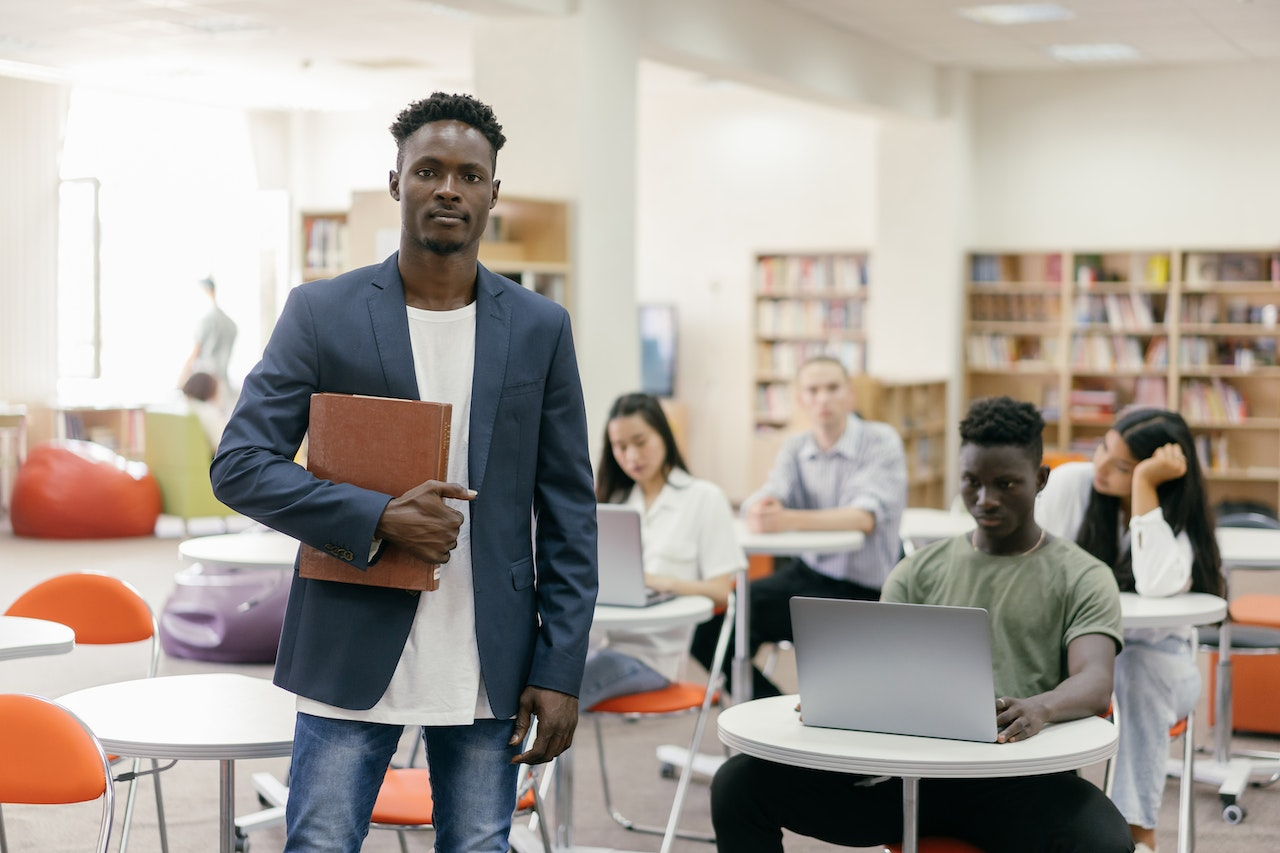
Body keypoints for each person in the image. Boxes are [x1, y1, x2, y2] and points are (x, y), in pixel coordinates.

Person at [210, 92, 598, 853]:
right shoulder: (322, 312)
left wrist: (562, 667)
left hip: (491, 652)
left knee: (480, 844)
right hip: (350, 635)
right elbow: (240, 464)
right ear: (396, 183)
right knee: (320, 842)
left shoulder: (540, 327)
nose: (447, 187)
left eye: (468, 174)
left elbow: (568, 510)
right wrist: (376, 515)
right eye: (427, 169)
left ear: (492, 192)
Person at [710, 395, 1134, 853]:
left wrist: (1040, 708)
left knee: (1107, 843)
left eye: (1006, 484)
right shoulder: (918, 570)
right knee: (739, 785)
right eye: (972, 482)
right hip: (909, 777)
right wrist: (844, 698)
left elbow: (1094, 680)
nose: (985, 499)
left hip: (1020, 782)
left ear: (1040, 479)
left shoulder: (1083, 575)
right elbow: (883, 673)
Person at [1036, 408, 1222, 853]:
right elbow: (1040, 570)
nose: (1099, 465)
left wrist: (1143, 488)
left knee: (1137, 669)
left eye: (1121, 466)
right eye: (1102, 447)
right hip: (1078, 659)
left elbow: (1157, 585)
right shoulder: (1072, 484)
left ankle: (1136, 834)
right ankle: (1044, 815)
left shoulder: (1178, 524)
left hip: (1160, 667)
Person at [692, 355, 907, 698]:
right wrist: (761, 508)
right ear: (801, 399)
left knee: (834, 672)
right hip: (808, 575)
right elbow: (770, 493)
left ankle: (809, 716)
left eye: (832, 388)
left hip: (866, 592)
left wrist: (787, 519)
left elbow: (862, 518)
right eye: (813, 390)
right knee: (714, 630)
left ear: (850, 395)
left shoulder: (880, 441)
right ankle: (770, 713)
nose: (823, 398)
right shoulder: (795, 447)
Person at [581, 392, 745, 709]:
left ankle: (520, 760)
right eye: (620, 446)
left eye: (640, 442)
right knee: (539, 675)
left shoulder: (703, 498)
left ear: (665, 436)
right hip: (596, 643)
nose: (631, 456)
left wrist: (659, 581)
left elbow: (722, 592)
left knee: (555, 693)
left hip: (652, 658)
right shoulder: (612, 503)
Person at [180, 275, 238, 400]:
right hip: (223, 387)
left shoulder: (206, 321)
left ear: (207, 291)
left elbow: (195, 353)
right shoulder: (231, 324)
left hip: (204, 387)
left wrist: (181, 381)